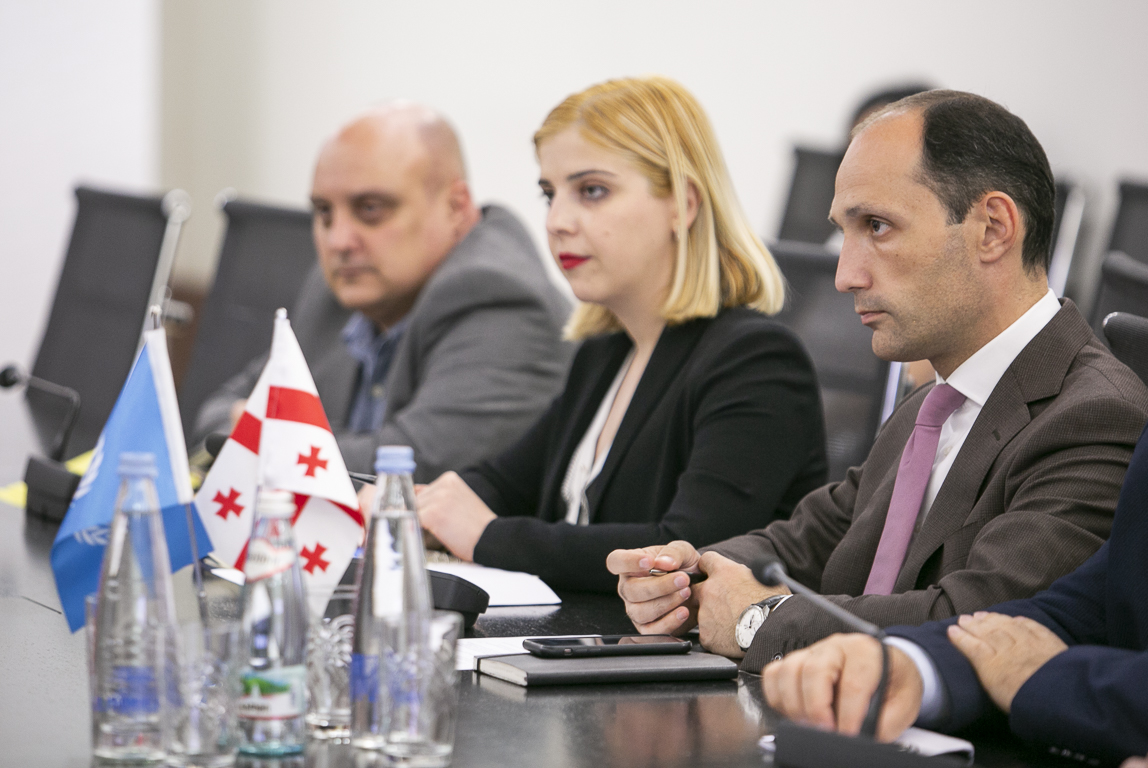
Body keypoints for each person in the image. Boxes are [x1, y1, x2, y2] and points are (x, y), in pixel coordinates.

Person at [609, 90, 1148, 667]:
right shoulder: (934, 404)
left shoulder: (1096, 418)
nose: (845, 274)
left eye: (878, 226)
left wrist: (755, 618)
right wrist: (686, 574)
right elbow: (806, 542)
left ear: (993, 228)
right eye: (846, 231)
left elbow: (984, 627)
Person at [390, 76, 828, 591]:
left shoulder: (755, 361)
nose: (557, 221)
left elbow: (685, 549)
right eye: (549, 194)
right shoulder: (604, 354)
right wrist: (414, 505)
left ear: (682, 205)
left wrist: (486, 537)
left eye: (592, 191)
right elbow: (503, 482)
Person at [192, 104, 574, 481]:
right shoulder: (340, 291)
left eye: (371, 209)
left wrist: (264, 437)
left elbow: (411, 471)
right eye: (324, 212)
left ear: (456, 208)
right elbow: (218, 412)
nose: (339, 241)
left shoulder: (500, 301)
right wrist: (272, 435)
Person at [760, 423, 1148, 766]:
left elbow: (974, 606)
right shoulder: (919, 409)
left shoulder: (1094, 413)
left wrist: (761, 617)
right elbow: (1091, 606)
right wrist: (912, 664)